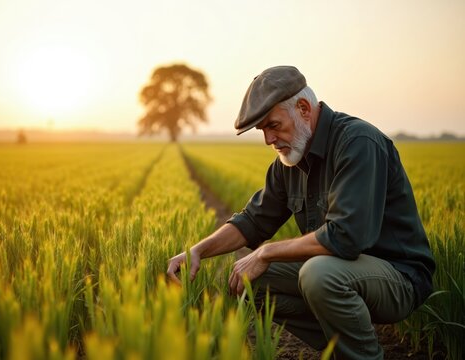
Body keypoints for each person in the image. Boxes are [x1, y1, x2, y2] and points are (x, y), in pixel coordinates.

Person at [167, 66, 435, 359]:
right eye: (263, 130)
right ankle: (342, 349)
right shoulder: (288, 164)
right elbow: (253, 221)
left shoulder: (358, 143)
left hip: (398, 277)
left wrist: (266, 252)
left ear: (304, 109)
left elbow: (346, 238)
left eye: (274, 125)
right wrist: (197, 251)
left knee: (318, 273)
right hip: (342, 271)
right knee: (249, 282)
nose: (269, 139)